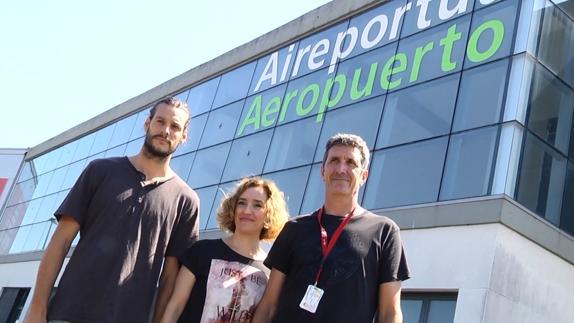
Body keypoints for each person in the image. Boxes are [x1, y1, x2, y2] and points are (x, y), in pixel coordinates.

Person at [25, 97, 200, 323]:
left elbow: (170, 277)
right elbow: (60, 243)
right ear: (147, 124)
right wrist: (37, 311)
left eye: (175, 126)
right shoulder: (100, 171)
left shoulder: (186, 200)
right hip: (68, 313)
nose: (166, 130)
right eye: (160, 121)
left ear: (184, 136)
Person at [252, 133, 410, 323]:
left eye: (351, 162)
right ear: (322, 170)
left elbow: (389, 313)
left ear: (363, 176)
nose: (341, 169)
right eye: (334, 160)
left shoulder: (384, 231)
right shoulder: (294, 228)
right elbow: (268, 306)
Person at [159, 177, 289, 323]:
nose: (247, 210)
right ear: (233, 209)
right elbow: (175, 307)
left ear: (269, 215)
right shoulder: (202, 251)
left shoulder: (270, 272)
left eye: (257, 205)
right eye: (242, 203)